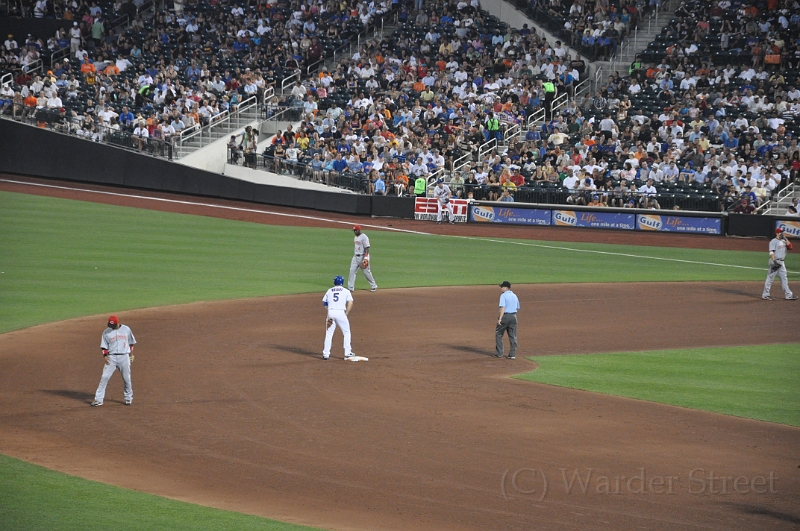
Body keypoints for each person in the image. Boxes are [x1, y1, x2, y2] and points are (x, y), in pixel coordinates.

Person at [91, 315, 136, 406]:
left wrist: (130, 353)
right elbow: (104, 346)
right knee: (104, 377)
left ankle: (128, 398)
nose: (111, 327)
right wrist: (105, 356)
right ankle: (98, 399)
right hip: (111, 358)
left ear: (118, 323)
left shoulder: (126, 329)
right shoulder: (106, 332)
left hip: (124, 357)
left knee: (127, 378)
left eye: (113, 325)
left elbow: (131, 343)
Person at [322, 275, 355, 360]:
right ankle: (347, 352)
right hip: (340, 313)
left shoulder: (329, 291)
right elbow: (350, 303)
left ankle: (326, 354)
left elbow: (324, 302)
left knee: (329, 334)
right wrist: (346, 313)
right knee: (346, 332)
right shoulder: (346, 291)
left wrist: (329, 311)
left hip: (331, 313)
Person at [762, 228, 797, 301]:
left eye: (782, 232)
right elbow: (771, 252)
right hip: (775, 261)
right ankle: (765, 295)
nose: (782, 233)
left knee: (784, 279)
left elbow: (790, 247)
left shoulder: (784, 241)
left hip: (782, 262)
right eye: (780, 232)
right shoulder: (773, 241)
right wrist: (774, 261)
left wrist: (785, 238)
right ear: (777, 233)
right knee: (770, 278)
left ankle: (788, 295)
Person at [348, 225, 378, 292]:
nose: (355, 232)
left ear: (359, 230)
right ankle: (350, 287)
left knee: (366, 272)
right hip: (355, 257)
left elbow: (367, 248)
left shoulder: (364, 237)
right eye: (354, 231)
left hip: (362, 257)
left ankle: (374, 285)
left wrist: (366, 258)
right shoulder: (355, 237)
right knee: (352, 271)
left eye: (356, 230)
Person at [495, 281, 520, 359]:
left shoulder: (503, 296)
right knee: (513, 336)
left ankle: (499, 353)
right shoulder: (514, 295)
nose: (501, 288)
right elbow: (517, 307)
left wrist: (500, 318)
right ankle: (512, 354)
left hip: (505, 316)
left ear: (506, 287)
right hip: (513, 317)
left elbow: (503, 307)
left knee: (498, 334)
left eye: (502, 287)